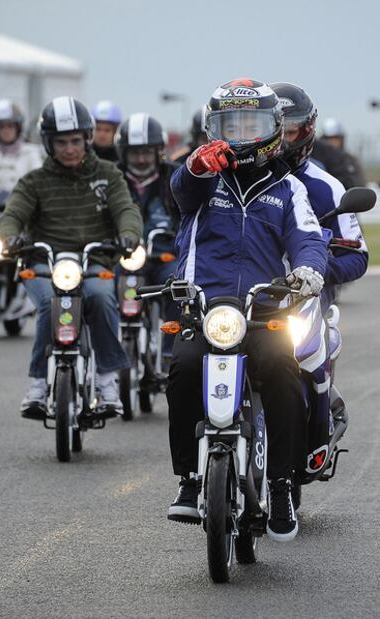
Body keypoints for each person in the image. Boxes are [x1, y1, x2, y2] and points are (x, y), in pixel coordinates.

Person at [166, 78, 328, 542]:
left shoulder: (290, 190)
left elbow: (309, 240)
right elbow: (180, 191)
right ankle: (188, 479)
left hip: (264, 310)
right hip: (204, 307)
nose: (239, 135)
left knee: (282, 371)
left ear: (274, 129)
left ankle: (281, 483)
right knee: (182, 368)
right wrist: (196, 166)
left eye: (249, 124)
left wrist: (309, 273)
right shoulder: (201, 179)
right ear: (211, 129)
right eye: (228, 125)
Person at [0, 96, 142, 418]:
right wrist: (10, 237)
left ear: (87, 139)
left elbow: (126, 210)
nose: (69, 148)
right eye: (61, 142)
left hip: (94, 261)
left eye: (76, 140)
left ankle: (107, 383)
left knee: (104, 298)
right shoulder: (34, 181)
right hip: (44, 262)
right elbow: (12, 215)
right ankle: (36, 385)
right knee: (50, 306)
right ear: (48, 143)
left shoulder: (109, 174)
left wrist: (129, 235)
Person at [270, 82, 368, 312]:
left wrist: (315, 270)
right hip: (243, 301)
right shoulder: (235, 180)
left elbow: (357, 257)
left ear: (307, 130)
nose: (281, 141)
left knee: (313, 345)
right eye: (275, 130)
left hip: (303, 303)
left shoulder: (328, 187)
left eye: (290, 131)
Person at [115, 113, 180, 356]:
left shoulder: (175, 177)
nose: (141, 159)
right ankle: (107, 354)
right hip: (123, 258)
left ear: (158, 151)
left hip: (164, 256)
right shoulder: (113, 178)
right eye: (134, 152)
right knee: (100, 292)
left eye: (147, 152)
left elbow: (190, 216)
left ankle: (171, 352)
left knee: (178, 287)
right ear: (123, 152)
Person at [310, 117, 365, 190]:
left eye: (336, 139)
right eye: (328, 139)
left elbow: (359, 184)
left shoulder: (349, 159)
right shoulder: (312, 160)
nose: (332, 143)